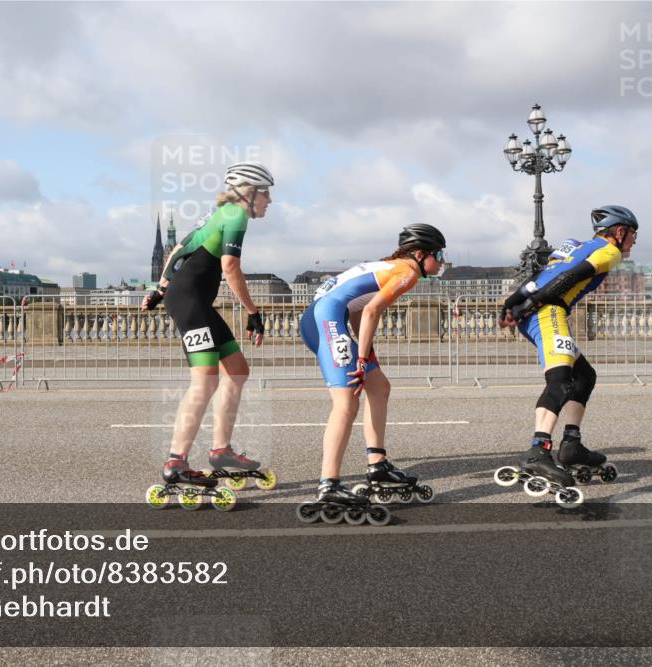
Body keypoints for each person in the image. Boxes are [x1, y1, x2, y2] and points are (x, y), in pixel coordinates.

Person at [142, 161, 273, 497]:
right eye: (266, 194)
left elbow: (177, 249)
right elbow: (230, 267)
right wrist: (253, 311)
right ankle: (176, 461)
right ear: (250, 193)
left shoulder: (220, 213)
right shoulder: (237, 215)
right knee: (206, 380)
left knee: (237, 370)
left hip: (193, 300)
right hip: (190, 302)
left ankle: (221, 450)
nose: (269, 201)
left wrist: (160, 288)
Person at [300, 224, 447, 506]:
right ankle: (328, 484)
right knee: (346, 403)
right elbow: (371, 311)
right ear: (419, 254)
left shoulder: (389, 266)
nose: (441, 261)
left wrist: (365, 353)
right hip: (326, 321)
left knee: (379, 386)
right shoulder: (407, 272)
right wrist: (362, 356)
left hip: (325, 317)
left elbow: (358, 309)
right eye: (438, 254)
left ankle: (377, 463)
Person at [499, 205, 638, 486]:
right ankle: (538, 451)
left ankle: (572, 445)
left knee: (584, 375)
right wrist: (535, 303)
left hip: (540, 311)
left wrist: (512, 302)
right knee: (560, 382)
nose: (634, 241)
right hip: (549, 312)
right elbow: (571, 277)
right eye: (633, 234)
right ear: (620, 231)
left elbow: (539, 276)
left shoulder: (573, 245)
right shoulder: (610, 252)